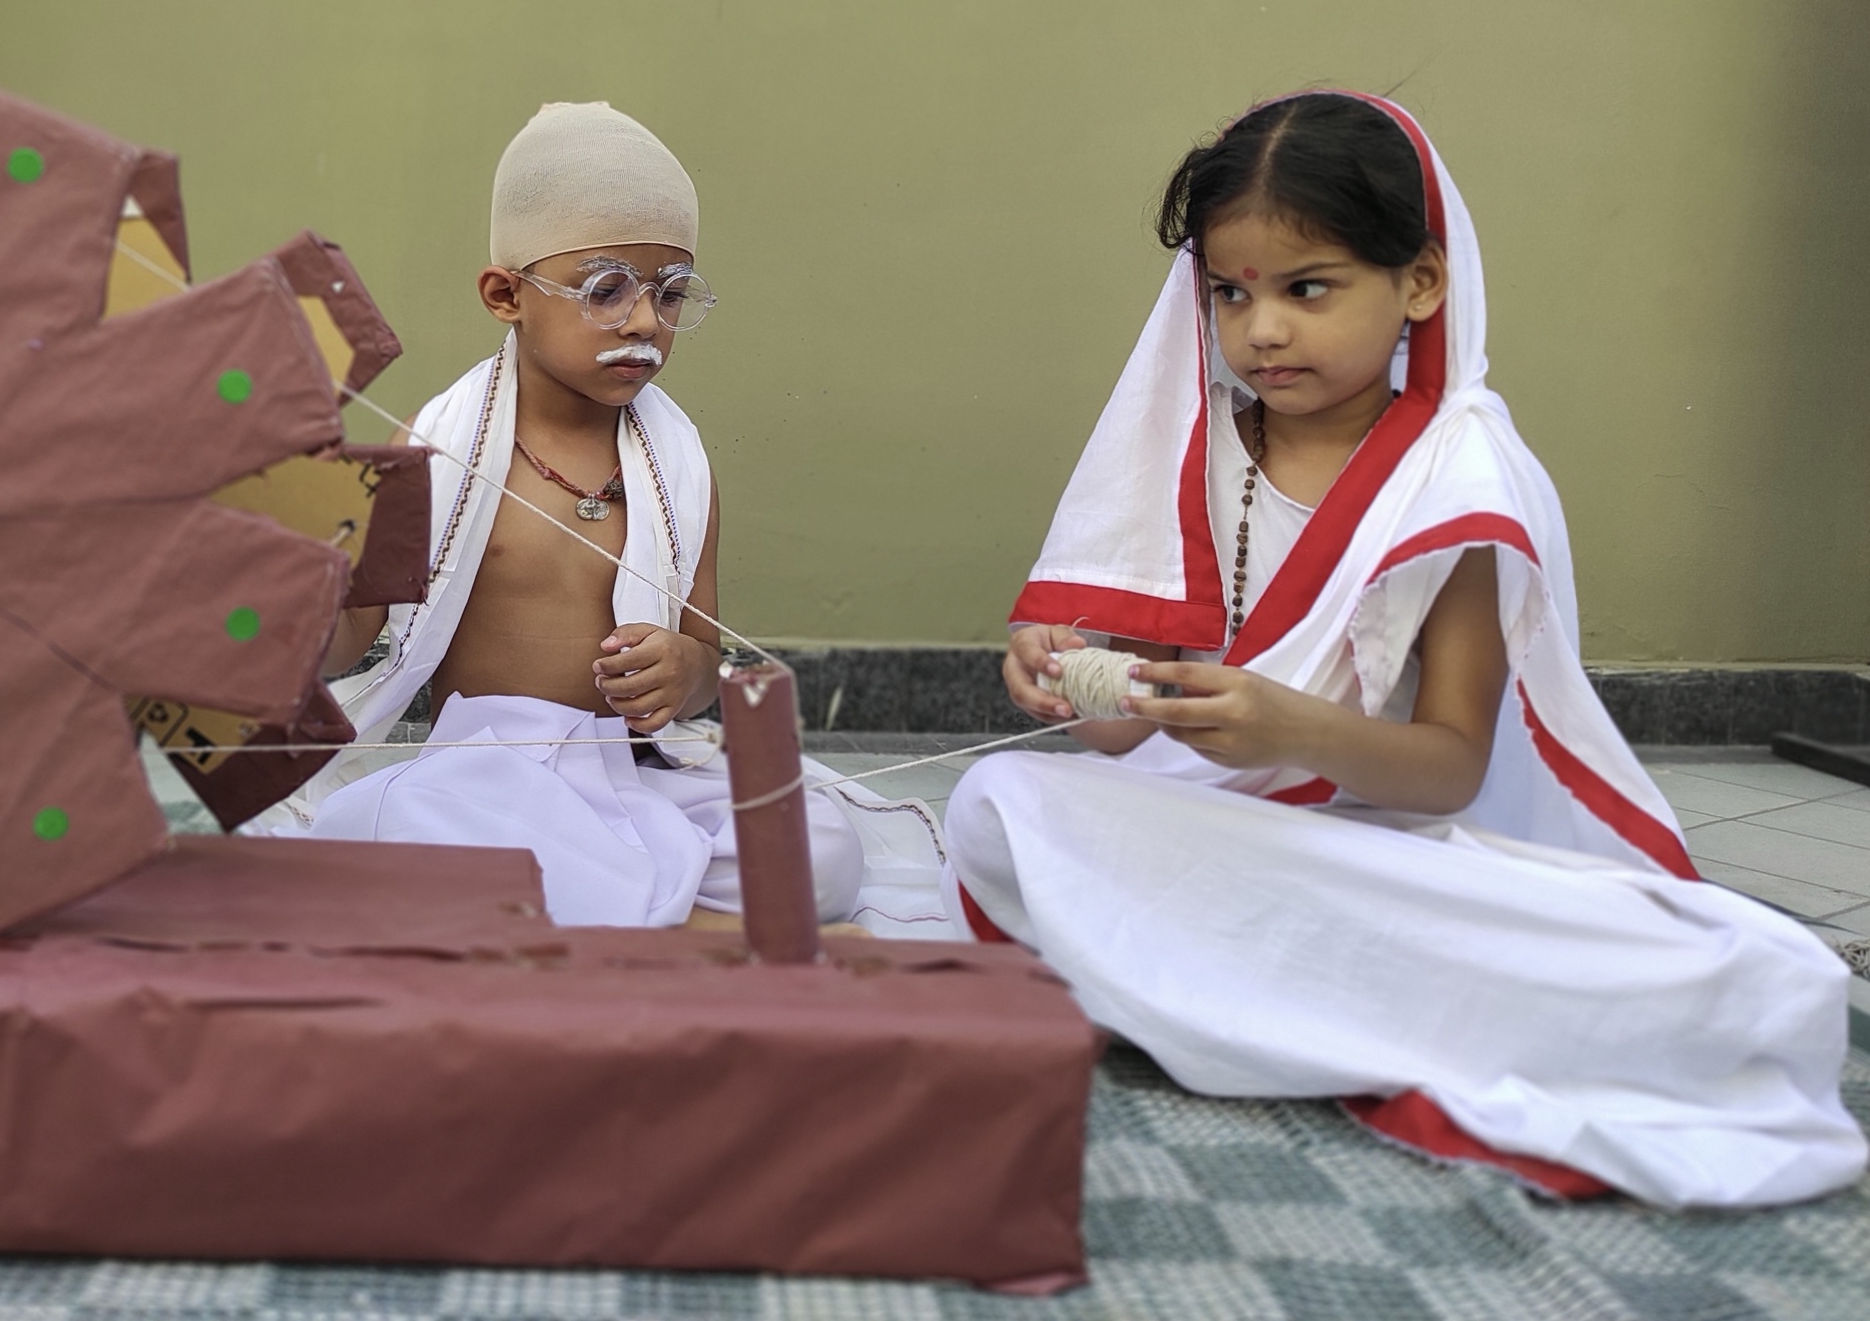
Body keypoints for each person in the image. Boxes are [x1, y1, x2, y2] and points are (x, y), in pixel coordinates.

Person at [945, 91, 1864, 1208]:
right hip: (1228, 831)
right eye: (1230, 293)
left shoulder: (1454, 479)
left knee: (1746, 977)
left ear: (1421, 282)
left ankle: (1228, 983)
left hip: (1397, 848)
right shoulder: (1190, 450)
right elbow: (1131, 733)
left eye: (1307, 288)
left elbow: (1451, 767)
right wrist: (1069, 684)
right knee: (998, 802)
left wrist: (1291, 728)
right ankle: (1281, 982)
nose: (1261, 330)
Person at [247, 102, 941, 932]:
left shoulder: (681, 466)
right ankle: (696, 932)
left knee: (821, 847)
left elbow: (701, 652)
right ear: (506, 294)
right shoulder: (438, 449)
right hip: (487, 777)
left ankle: (625, 916)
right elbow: (355, 633)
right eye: (606, 290)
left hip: (634, 771)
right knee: (407, 821)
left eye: (670, 293)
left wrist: (680, 672)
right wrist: (300, 589)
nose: (645, 321)